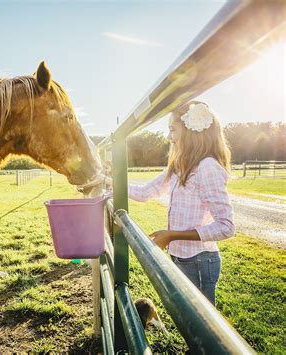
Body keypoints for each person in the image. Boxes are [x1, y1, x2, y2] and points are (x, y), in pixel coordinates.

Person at [85, 101, 234, 306]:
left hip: (200, 260)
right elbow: (146, 191)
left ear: (192, 131)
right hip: (181, 256)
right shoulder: (180, 166)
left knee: (199, 324)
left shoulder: (207, 167)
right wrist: (107, 182)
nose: (169, 136)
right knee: (186, 317)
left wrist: (173, 235)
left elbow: (226, 227)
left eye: (173, 129)